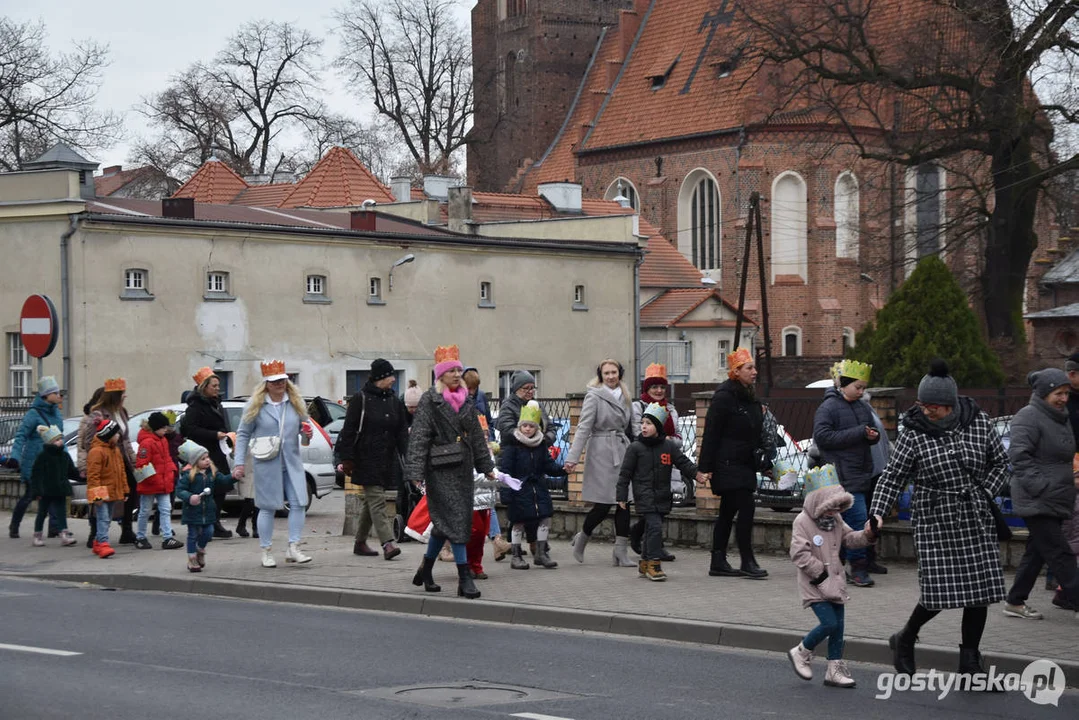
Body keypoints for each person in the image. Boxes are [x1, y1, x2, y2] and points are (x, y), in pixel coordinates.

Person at [869, 360, 1009, 677]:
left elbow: (1001, 464)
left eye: (935, 406)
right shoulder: (913, 433)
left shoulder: (978, 422)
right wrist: (877, 513)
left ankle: (970, 663)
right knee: (938, 591)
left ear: (951, 404)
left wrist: (986, 492)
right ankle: (905, 639)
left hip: (974, 514)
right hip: (934, 518)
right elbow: (892, 477)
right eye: (923, 405)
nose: (928, 411)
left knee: (980, 592)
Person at [405, 345, 497, 599]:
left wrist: (487, 467)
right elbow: (420, 437)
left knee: (444, 524)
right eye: (452, 370)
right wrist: (415, 470)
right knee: (458, 520)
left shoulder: (466, 399)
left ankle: (425, 569)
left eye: (459, 369)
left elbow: (477, 436)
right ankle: (464, 577)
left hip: (463, 469)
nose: (457, 374)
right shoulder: (430, 400)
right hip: (440, 469)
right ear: (440, 375)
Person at [787, 468, 876, 688]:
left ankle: (834, 670)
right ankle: (801, 651)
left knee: (839, 628)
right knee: (829, 623)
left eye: (839, 506)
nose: (836, 510)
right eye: (831, 506)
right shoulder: (802, 522)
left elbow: (849, 539)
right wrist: (821, 573)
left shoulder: (836, 519)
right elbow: (799, 554)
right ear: (819, 502)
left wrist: (867, 535)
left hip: (835, 583)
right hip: (815, 584)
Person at [1002, 369, 1079, 618]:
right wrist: (1041, 488)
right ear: (1044, 393)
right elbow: (1019, 457)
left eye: (1066, 393)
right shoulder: (1028, 417)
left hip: (1056, 496)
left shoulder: (1059, 416)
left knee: (1037, 551)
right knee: (1061, 553)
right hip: (1037, 499)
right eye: (1058, 393)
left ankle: (1015, 600)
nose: (1064, 398)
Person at [697, 347, 772, 579]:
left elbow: (756, 434)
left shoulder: (750, 397)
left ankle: (717, 561)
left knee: (728, 512)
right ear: (736, 371)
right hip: (727, 463)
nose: (754, 372)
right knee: (746, 507)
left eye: (754, 367)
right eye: (749, 368)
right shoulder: (724, 397)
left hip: (745, 463)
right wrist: (704, 467)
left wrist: (765, 463)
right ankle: (747, 560)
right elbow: (711, 433)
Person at [233, 360, 314, 568]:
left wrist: (307, 435)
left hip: (292, 462)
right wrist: (239, 463)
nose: (279, 384)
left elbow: (305, 434)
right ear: (266, 384)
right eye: (275, 381)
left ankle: (293, 546)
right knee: (267, 507)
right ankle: (266, 550)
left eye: (282, 380)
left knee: (299, 503)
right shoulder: (256, 405)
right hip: (267, 463)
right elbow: (242, 434)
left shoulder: (295, 403)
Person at [812, 359, 881, 587]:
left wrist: (873, 436)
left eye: (863, 388)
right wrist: (859, 433)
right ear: (843, 384)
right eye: (858, 387)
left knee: (850, 524)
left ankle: (844, 567)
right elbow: (823, 437)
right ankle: (856, 567)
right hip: (840, 476)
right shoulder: (828, 407)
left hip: (859, 473)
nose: (861, 392)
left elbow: (870, 433)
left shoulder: (862, 407)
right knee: (857, 522)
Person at [565, 359, 636, 567]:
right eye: (607, 373)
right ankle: (582, 538)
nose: (611, 376)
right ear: (601, 375)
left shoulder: (626, 395)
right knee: (603, 504)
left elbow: (633, 425)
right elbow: (583, 428)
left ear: (619, 374)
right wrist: (572, 458)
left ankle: (621, 552)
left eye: (614, 372)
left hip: (622, 449)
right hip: (601, 451)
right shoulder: (594, 396)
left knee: (624, 501)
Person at [336, 358, 409, 560]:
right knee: (377, 500)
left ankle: (360, 542)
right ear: (379, 378)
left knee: (371, 503)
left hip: (387, 459)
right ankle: (388, 542)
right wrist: (347, 458)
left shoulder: (395, 401)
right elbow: (349, 430)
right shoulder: (361, 399)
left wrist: (408, 454)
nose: (394, 380)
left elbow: (402, 431)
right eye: (390, 376)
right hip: (364, 458)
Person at [617, 402, 697, 582]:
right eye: (643, 423)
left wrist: (697, 474)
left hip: (662, 496)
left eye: (649, 423)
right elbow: (625, 474)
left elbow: (683, 462)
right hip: (644, 495)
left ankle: (644, 562)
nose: (644, 426)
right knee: (654, 527)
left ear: (658, 427)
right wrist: (621, 496)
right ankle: (654, 564)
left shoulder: (668, 447)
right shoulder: (635, 448)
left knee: (650, 528)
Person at [498, 401, 567, 569]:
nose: (527, 429)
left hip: (538, 489)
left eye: (531, 426)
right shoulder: (512, 446)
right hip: (519, 490)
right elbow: (505, 472)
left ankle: (541, 553)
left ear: (537, 428)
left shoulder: (540, 445)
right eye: (525, 426)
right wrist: (506, 495)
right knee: (518, 522)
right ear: (520, 427)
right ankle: (516, 555)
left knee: (545, 518)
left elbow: (548, 465)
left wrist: (563, 469)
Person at [629, 363, 681, 561]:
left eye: (661, 387)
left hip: (666, 462)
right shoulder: (638, 407)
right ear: (647, 389)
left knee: (663, 505)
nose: (658, 391)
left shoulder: (671, 409)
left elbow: (677, 438)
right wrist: (662, 439)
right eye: (654, 387)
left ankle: (644, 537)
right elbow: (637, 433)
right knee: (651, 507)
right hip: (645, 463)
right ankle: (653, 548)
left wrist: (667, 441)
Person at [180, 367, 236, 539]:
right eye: (214, 386)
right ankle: (205, 523)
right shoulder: (195, 406)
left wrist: (227, 435)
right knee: (206, 488)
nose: (218, 389)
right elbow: (190, 430)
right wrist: (214, 434)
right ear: (204, 387)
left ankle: (214, 521)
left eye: (218, 385)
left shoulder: (217, 403)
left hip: (218, 450)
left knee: (221, 487)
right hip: (204, 453)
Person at [7, 376, 66, 539]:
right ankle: (14, 525)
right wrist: (15, 457)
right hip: (34, 464)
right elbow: (20, 437)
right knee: (29, 496)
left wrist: (65, 459)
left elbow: (61, 438)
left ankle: (54, 528)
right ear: (46, 396)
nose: (58, 395)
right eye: (55, 392)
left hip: (52, 462)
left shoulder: (57, 414)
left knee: (53, 493)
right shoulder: (33, 414)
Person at [88, 377, 138, 544]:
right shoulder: (98, 413)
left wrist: (133, 458)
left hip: (121, 457)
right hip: (104, 458)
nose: (125, 396)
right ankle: (95, 533)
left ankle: (127, 529)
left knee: (129, 489)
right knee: (100, 494)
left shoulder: (122, 412)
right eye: (122, 393)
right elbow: (89, 439)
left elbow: (125, 439)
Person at [176, 440, 235, 573]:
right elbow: (180, 490)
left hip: (208, 511)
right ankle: (192, 559)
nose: (207, 461)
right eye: (203, 459)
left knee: (208, 532)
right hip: (192, 511)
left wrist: (233, 476)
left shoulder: (212, 474)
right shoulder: (188, 475)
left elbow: (224, 481)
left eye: (207, 457)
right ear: (195, 461)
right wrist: (190, 497)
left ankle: (199, 550)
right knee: (192, 534)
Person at [133, 412, 183, 550]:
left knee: (166, 509)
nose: (166, 430)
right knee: (145, 510)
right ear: (156, 428)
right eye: (163, 427)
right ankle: (141, 537)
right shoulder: (147, 443)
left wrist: (171, 471)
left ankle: (167, 537)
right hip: (150, 483)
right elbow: (141, 464)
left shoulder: (163, 440)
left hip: (163, 481)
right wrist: (154, 479)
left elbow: (167, 460)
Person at [28, 425, 78, 547]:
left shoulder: (64, 456)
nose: (60, 441)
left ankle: (64, 534)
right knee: (42, 512)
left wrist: (83, 476)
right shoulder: (43, 456)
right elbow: (36, 474)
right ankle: (37, 535)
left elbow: (71, 471)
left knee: (61, 512)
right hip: (46, 490)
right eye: (56, 439)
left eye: (61, 438)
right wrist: (37, 491)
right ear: (50, 442)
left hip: (60, 489)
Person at [86, 419, 129, 558]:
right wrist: (97, 496)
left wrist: (125, 489)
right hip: (101, 493)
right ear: (108, 435)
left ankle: (98, 542)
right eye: (116, 434)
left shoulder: (115, 450)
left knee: (108, 518)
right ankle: (103, 544)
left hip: (112, 492)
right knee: (103, 518)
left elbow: (121, 471)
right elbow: (93, 476)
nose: (118, 436)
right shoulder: (96, 452)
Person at [76, 386, 105, 547]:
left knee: (104, 500)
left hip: (105, 463)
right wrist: (83, 466)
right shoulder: (90, 417)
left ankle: (100, 533)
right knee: (96, 498)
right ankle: (94, 531)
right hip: (94, 463)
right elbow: (83, 443)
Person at [496, 370, 556, 446]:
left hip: (539, 453)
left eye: (532, 388)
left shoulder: (538, 405)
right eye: (526, 388)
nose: (530, 391)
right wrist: (531, 440)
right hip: (514, 454)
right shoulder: (507, 406)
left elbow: (551, 428)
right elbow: (507, 431)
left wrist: (545, 440)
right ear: (516, 389)